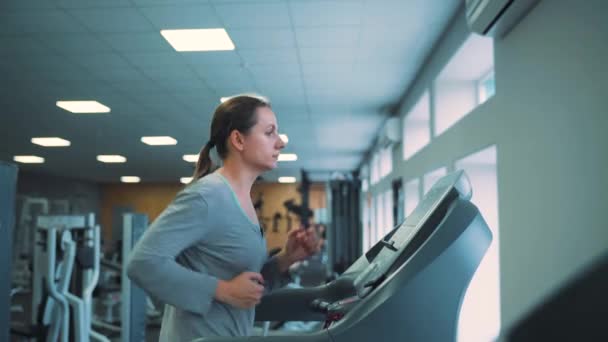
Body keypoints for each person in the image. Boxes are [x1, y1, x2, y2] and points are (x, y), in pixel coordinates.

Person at [126, 95, 322, 341]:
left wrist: (286, 259)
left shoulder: (241, 200)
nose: (280, 142)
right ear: (238, 139)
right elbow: (142, 264)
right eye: (270, 132)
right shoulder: (208, 196)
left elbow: (247, 288)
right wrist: (222, 290)